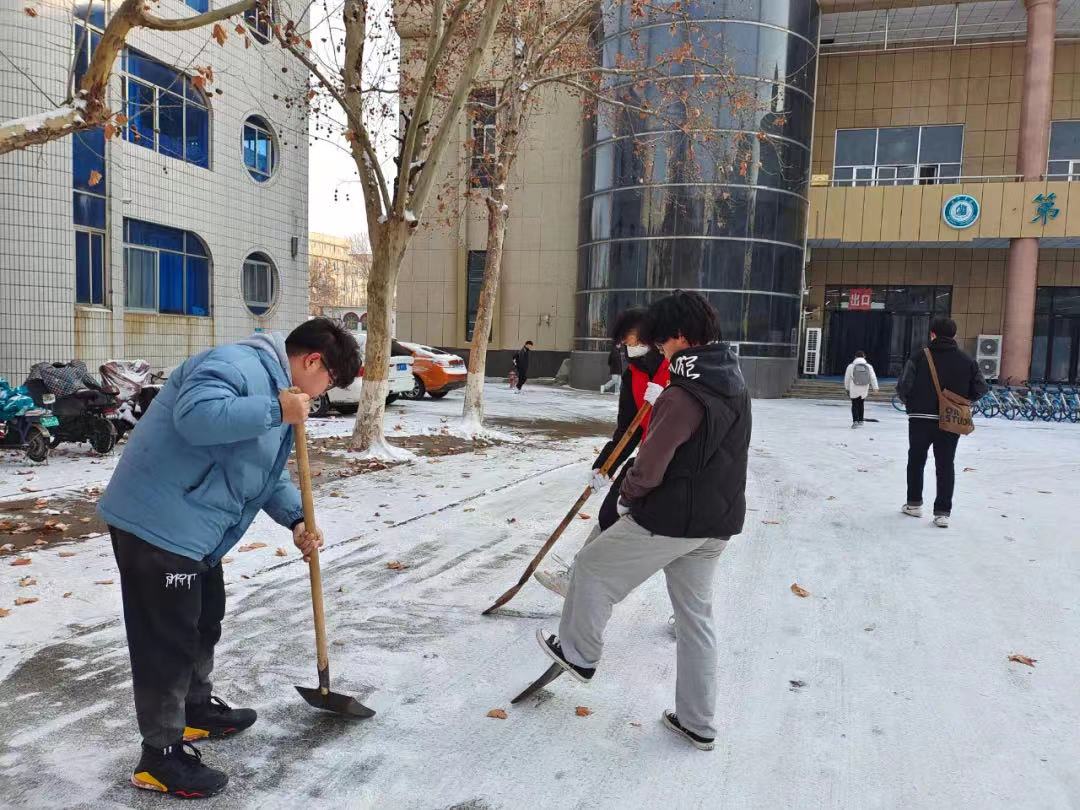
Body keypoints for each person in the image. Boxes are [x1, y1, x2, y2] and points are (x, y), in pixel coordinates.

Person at [97, 318, 360, 799]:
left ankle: (194, 710)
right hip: (157, 523)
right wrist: (275, 409)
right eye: (329, 382)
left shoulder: (276, 390)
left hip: (194, 528)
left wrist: (297, 519)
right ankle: (159, 757)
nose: (323, 394)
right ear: (313, 361)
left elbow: (260, 471)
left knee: (204, 621)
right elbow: (196, 417)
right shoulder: (237, 365)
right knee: (166, 643)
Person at [533, 291, 751, 752]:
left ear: (679, 336)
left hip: (672, 519)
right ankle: (697, 722)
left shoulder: (683, 392)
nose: (659, 350)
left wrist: (627, 497)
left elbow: (651, 465)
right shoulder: (733, 381)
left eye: (661, 341)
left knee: (592, 566)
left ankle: (579, 654)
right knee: (695, 620)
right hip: (717, 523)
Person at [535, 308, 670, 596]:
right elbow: (627, 430)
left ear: (652, 339)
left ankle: (586, 581)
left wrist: (667, 398)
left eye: (636, 342)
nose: (631, 350)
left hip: (678, 464)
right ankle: (576, 578)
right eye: (627, 344)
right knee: (610, 514)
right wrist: (604, 467)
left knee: (670, 541)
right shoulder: (632, 376)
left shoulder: (675, 369)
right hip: (647, 460)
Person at [896, 317, 987, 528]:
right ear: (954, 335)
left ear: (932, 334)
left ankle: (914, 504)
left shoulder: (919, 356)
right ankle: (942, 513)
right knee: (945, 463)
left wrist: (913, 403)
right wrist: (962, 401)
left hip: (920, 418)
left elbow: (904, 386)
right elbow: (981, 388)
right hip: (951, 419)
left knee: (916, 460)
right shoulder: (966, 360)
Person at [843, 350, 879, 428]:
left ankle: (855, 421)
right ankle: (861, 420)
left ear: (855, 357)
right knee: (861, 403)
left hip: (854, 387)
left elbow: (847, 378)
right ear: (864, 357)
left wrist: (847, 388)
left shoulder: (851, 366)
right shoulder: (869, 366)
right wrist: (875, 388)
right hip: (864, 387)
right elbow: (873, 377)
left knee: (854, 404)